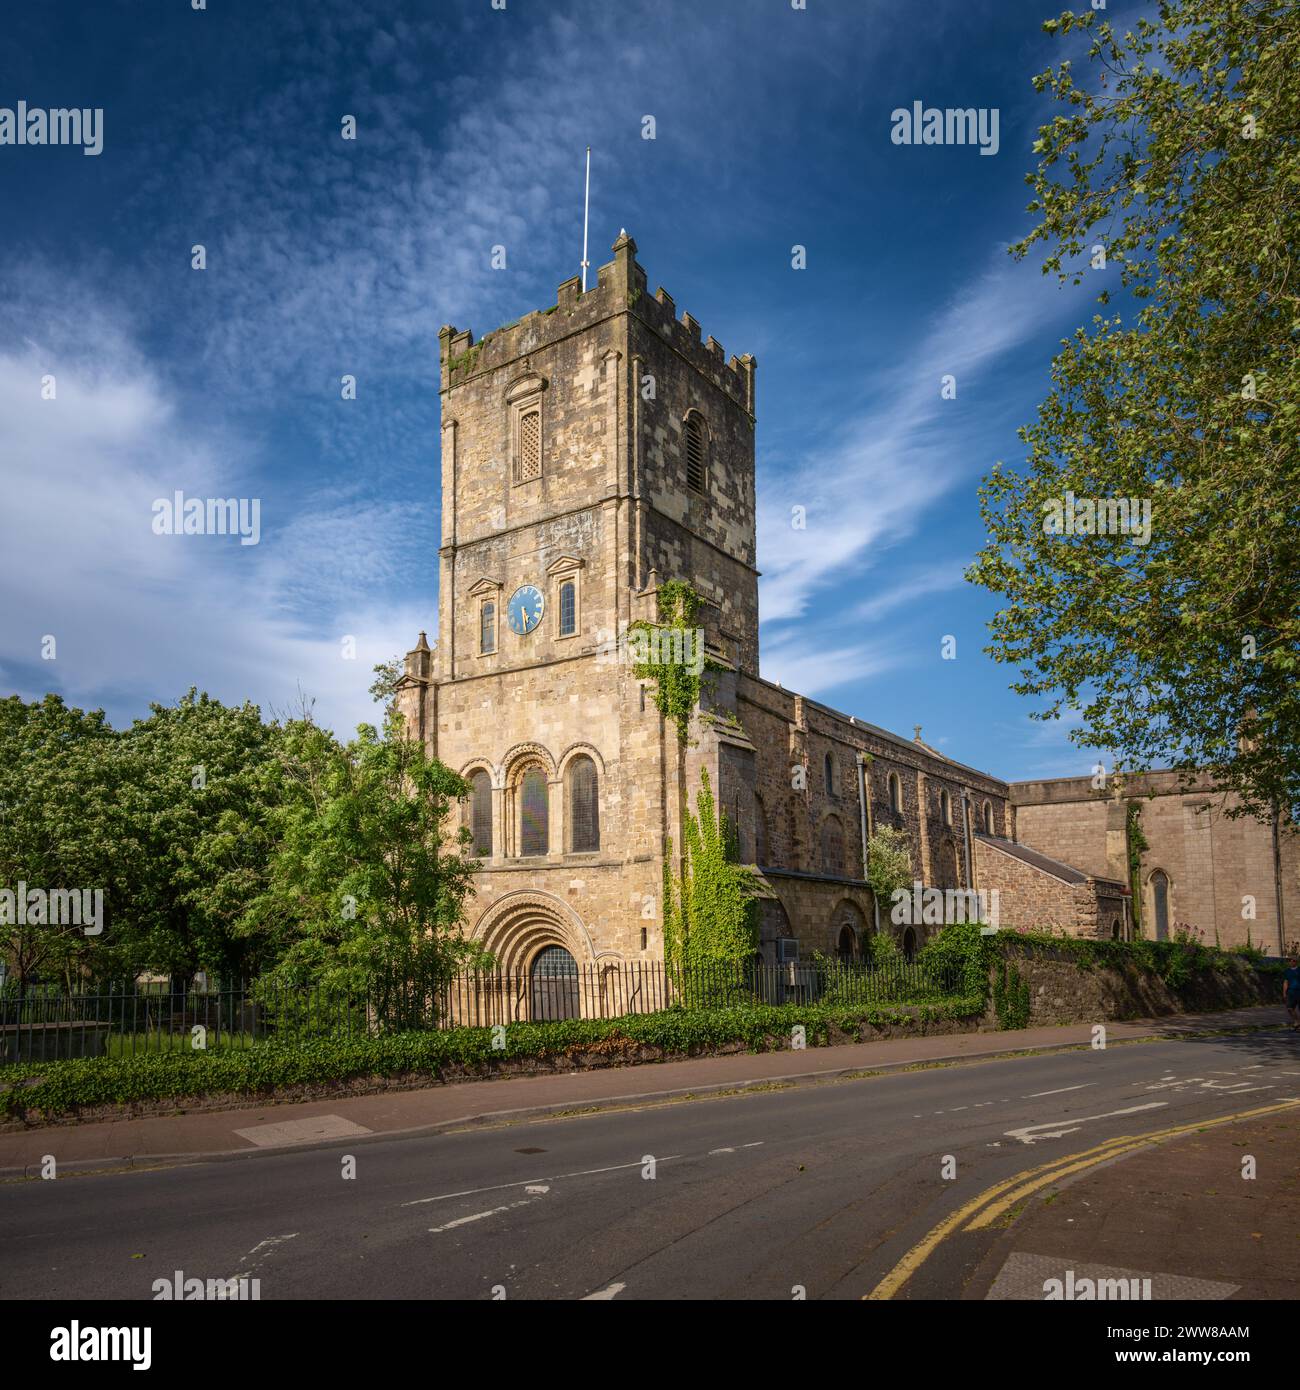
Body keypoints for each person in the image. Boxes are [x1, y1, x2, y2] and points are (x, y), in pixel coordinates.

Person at [1284, 955, 1300, 1031]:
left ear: (1296, 962)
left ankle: (1298, 1024)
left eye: (1293, 960)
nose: (1291, 962)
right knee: (1290, 1008)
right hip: (1291, 992)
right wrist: (1284, 992)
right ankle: (1297, 1021)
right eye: (1290, 960)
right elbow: (1286, 982)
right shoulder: (1287, 971)